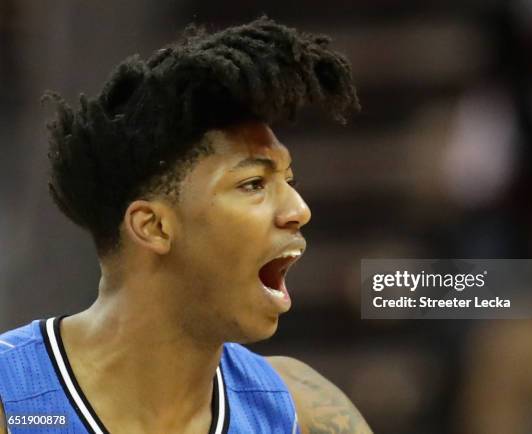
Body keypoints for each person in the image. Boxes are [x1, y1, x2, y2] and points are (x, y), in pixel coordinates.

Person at [0, 16, 371, 434]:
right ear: (154, 226)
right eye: (253, 184)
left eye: (288, 180)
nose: (299, 209)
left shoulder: (301, 412)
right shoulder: (12, 404)